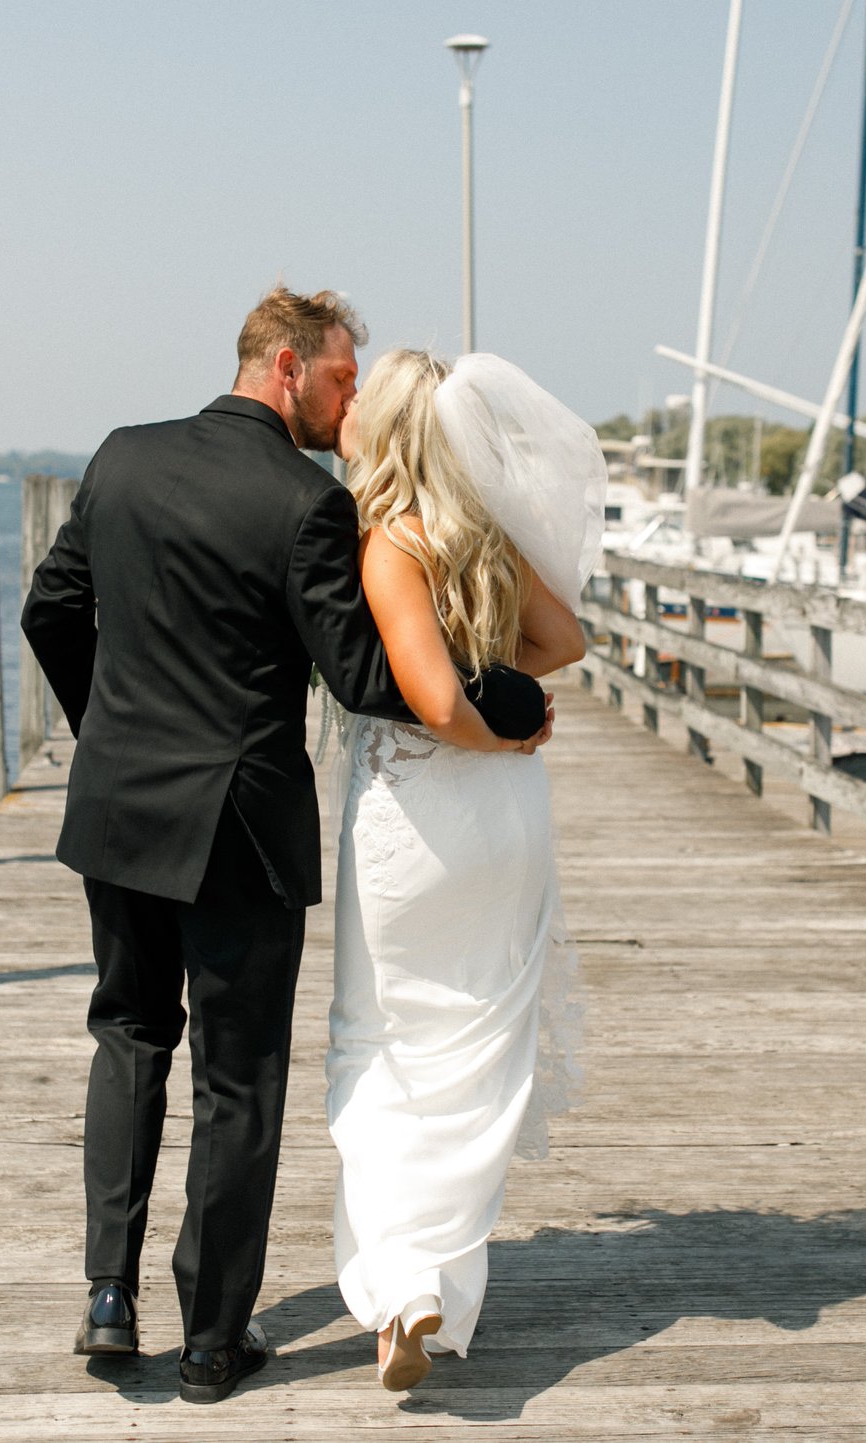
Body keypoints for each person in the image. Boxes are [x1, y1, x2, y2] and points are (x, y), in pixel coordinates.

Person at [20, 288, 550, 1405]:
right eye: (342, 378)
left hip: (118, 810)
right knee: (237, 1075)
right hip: (238, 827)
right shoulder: (301, 502)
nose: (349, 401)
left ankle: (107, 1295)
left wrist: (105, 732)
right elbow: (364, 674)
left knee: (126, 1035)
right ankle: (214, 1342)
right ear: (285, 366)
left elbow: (50, 609)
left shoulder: (120, 457)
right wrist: (503, 701)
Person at [324, 348, 603, 1393]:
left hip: (421, 816)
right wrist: (505, 695)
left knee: (383, 1035)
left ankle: (401, 1283)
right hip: (506, 827)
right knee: (478, 1044)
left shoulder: (390, 541)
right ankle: (436, 1268)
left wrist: (482, 726)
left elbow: (433, 703)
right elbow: (563, 638)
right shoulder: (484, 532)